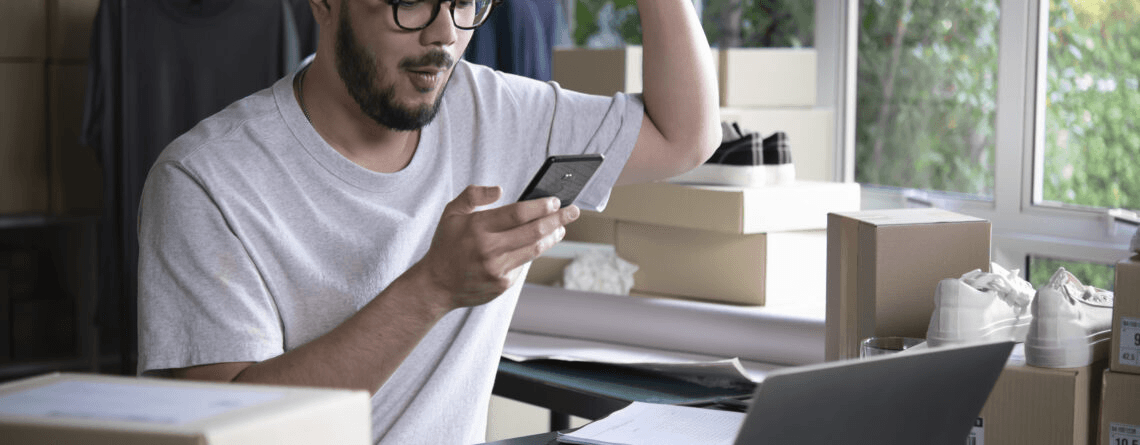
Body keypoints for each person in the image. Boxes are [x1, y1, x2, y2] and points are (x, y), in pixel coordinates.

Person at [136, 0, 718, 443]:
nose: (444, 34)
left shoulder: (498, 112)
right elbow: (232, 431)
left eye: (465, 2)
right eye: (410, 1)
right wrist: (433, 288)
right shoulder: (206, 179)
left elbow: (684, 137)